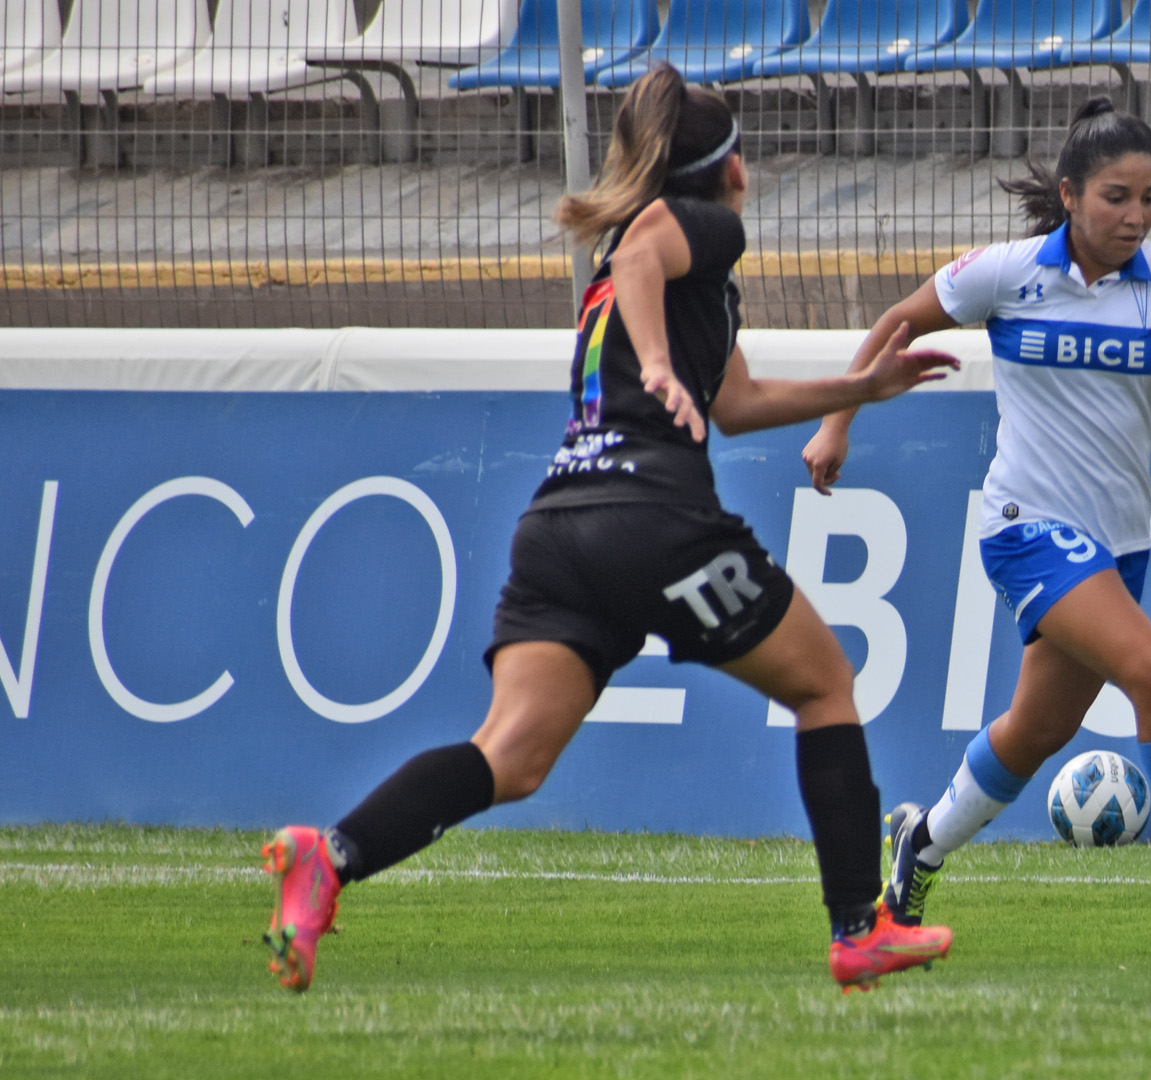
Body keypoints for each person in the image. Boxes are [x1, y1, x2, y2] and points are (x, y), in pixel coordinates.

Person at [260, 64, 959, 996]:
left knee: (508, 756)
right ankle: (857, 929)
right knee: (826, 683)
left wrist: (857, 391)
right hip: (650, 516)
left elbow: (740, 402)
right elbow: (640, 255)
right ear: (729, 167)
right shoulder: (695, 228)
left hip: (557, 526)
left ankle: (329, 857)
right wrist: (664, 370)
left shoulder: (682, 279)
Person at [802, 97, 1151, 937]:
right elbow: (898, 322)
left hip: (1118, 545)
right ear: (1069, 195)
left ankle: (918, 848)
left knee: (1037, 731)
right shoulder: (1005, 272)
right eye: (1117, 196)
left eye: (1150, 197)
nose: (1137, 215)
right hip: (1024, 527)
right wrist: (835, 421)